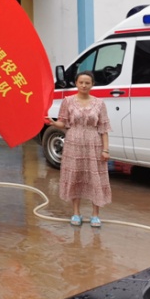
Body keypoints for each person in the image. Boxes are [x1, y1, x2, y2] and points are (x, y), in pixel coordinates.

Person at [45, 70, 111, 227]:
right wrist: (54, 123)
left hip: (94, 143)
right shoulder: (67, 101)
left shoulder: (99, 103)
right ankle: (76, 213)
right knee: (75, 177)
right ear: (76, 83)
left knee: (95, 178)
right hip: (73, 143)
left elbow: (104, 128)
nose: (84, 85)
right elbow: (63, 122)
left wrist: (106, 149)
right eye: (81, 82)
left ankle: (95, 214)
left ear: (92, 85)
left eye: (87, 83)